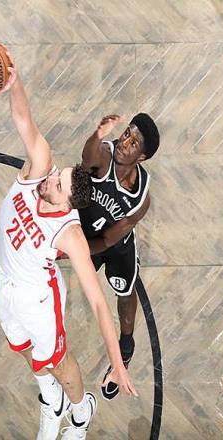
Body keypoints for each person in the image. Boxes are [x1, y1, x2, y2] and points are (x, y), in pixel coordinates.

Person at [0, 54, 138, 440]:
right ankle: (51, 399)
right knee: (21, 346)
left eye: (57, 185)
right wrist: (15, 84)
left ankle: (79, 410)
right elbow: (23, 119)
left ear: (66, 205)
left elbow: (98, 303)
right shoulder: (40, 169)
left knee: (57, 361)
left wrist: (117, 362)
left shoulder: (69, 233)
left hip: (38, 298)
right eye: (58, 175)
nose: (50, 179)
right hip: (3, 276)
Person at [77, 113, 160, 399]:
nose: (125, 142)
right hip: (83, 227)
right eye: (126, 134)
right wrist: (98, 134)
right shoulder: (105, 155)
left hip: (114, 244)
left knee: (125, 292)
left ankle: (125, 349)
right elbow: (88, 157)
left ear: (142, 157)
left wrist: (78, 252)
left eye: (134, 142)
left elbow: (107, 240)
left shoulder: (141, 200)